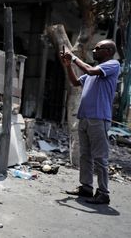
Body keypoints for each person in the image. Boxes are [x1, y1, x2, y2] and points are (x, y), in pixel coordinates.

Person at [61, 39, 120, 205]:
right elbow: (75, 83)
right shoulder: (91, 74)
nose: (94, 51)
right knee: (85, 155)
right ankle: (86, 187)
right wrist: (68, 65)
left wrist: (73, 57)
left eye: (98, 48)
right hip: (85, 117)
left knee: (100, 157)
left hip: (99, 118)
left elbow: (91, 70)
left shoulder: (112, 65)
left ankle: (103, 193)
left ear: (108, 51)